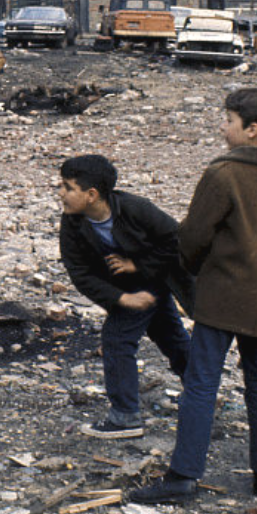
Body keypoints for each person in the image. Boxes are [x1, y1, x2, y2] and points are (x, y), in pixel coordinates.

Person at [130, 87, 257, 504]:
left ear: (251, 130)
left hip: (221, 297)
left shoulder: (223, 174)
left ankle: (183, 476)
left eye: (229, 120)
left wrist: (202, 271)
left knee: (201, 384)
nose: (222, 127)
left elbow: (193, 237)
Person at [58, 155, 192, 439]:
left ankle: (125, 418)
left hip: (154, 279)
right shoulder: (73, 223)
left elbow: (177, 240)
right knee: (170, 335)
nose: (62, 194)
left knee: (117, 339)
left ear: (91, 195)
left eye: (68, 188)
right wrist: (120, 298)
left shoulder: (135, 209)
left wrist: (139, 265)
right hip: (126, 289)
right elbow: (80, 273)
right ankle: (201, 390)